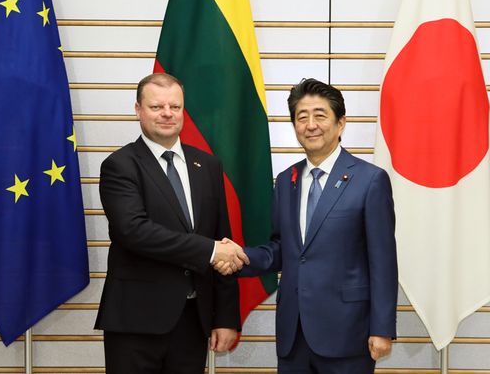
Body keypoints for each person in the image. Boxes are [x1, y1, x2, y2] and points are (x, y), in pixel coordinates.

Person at [217, 79, 398, 373]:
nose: (310, 125)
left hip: (348, 333)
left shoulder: (370, 180)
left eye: (320, 115)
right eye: (302, 117)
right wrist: (242, 258)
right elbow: (281, 249)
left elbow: (383, 261)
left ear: (341, 124)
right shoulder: (286, 181)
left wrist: (382, 328)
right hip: (293, 333)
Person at [95, 72, 249, 374]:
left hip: (194, 321)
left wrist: (226, 318)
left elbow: (223, 239)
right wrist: (210, 250)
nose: (167, 113)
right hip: (135, 323)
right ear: (138, 110)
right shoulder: (120, 165)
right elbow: (134, 231)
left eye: (175, 107)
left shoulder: (207, 165)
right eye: (156, 107)